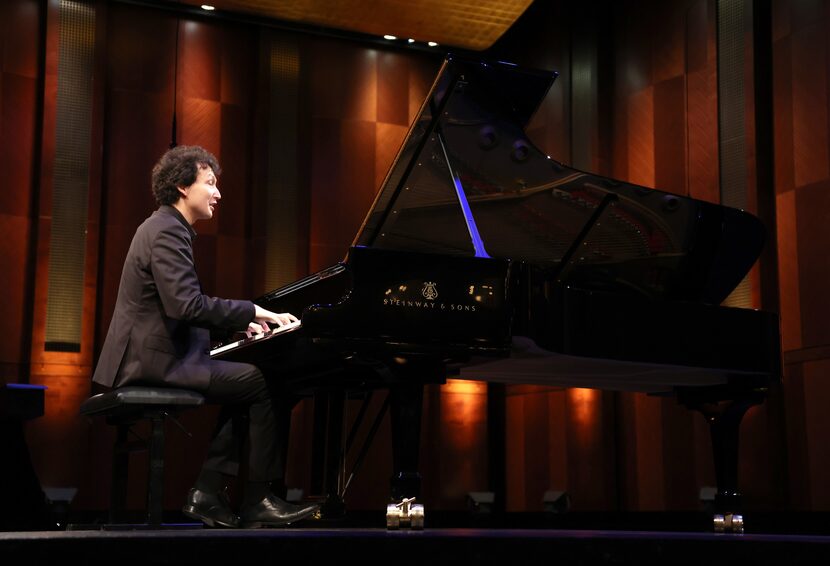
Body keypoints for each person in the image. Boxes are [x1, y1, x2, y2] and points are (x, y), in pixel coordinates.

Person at [92, 145, 318, 528]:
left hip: (152, 356)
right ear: (183, 186)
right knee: (262, 383)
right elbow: (186, 305)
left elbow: (179, 306)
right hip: (150, 362)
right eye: (210, 183)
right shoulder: (166, 231)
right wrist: (253, 310)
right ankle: (252, 496)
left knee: (245, 379)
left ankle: (210, 493)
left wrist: (233, 326)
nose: (218, 193)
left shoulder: (165, 228)